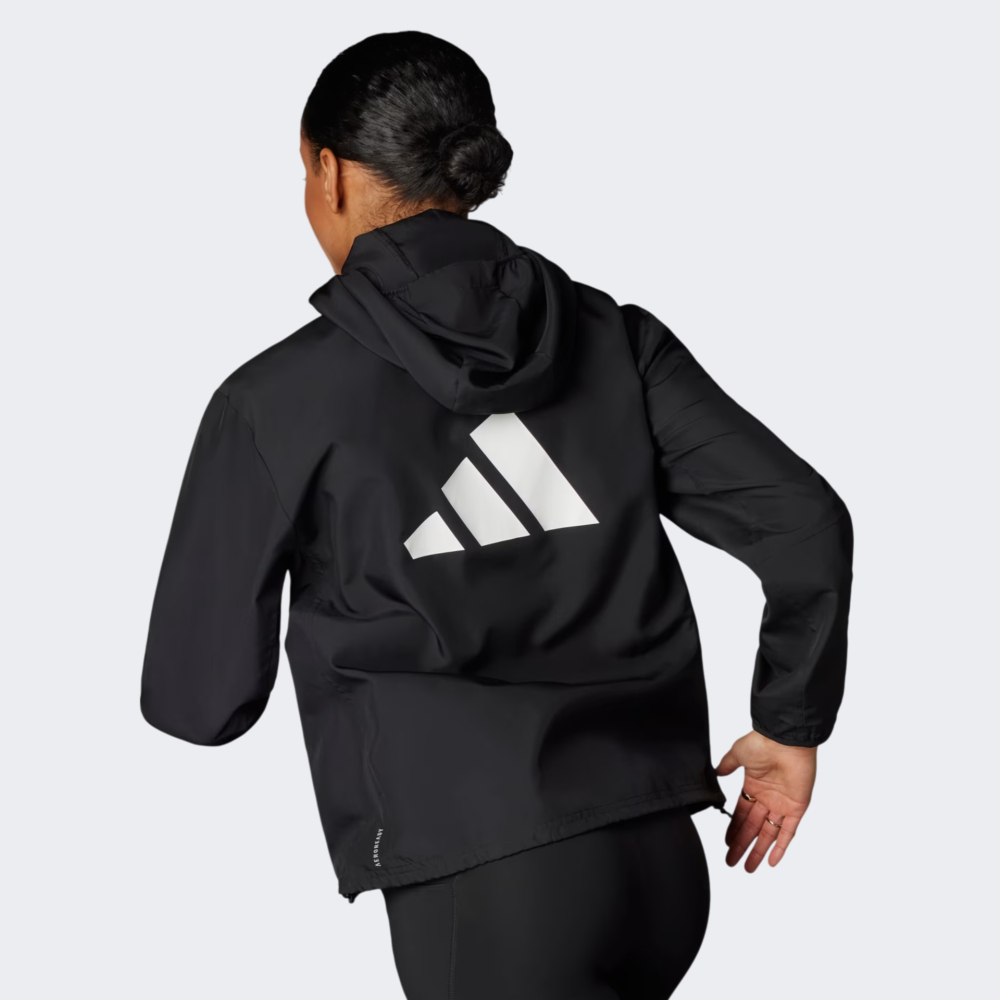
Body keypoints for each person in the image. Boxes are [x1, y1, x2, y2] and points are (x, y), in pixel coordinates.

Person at [140, 30, 854, 1000]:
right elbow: (803, 521)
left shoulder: (276, 402)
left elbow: (198, 702)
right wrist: (788, 726)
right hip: (662, 865)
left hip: (487, 890)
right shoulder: (616, 340)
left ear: (329, 171)